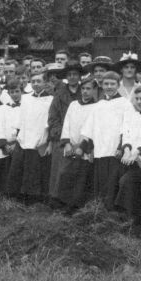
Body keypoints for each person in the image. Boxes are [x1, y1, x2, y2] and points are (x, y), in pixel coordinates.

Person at [80, 71, 130, 208]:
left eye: (112, 84)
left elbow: (127, 127)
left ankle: (113, 211)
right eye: (106, 84)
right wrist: (89, 148)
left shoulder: (125, 103)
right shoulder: (99, 105)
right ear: (101, 85)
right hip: (100, 150)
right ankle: (100, 209)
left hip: (115, 150)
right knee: (101, 181)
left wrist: (121, 147)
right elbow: (90, 128)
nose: (109, 87)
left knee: (113, 181)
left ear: (118, 85)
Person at [54, 77, 99, 213]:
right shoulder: (74, 104)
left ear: (95, 90)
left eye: (88, 89)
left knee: (81, 176)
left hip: (84, 148)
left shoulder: (96, 107)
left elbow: (93, 128)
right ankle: (63, 203)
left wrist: (82, 147)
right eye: (83, 89)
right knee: (66, 173)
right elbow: (66, 124)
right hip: (71, 146)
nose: (85, 92)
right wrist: (67, 143)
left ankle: (76, 207)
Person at [7, 72, 53, 202]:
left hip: (40, 138)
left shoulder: (50, 99)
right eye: (33, 81)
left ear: (44, 82)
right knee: (20, 168)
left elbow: (49, 122)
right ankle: (19, 197)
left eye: (39, 81)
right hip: (24, 137)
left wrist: (47, 141)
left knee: (36, 170)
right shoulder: (26, 98)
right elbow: (21, 119)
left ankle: (36, 199)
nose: (36, 84)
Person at [115, 85, 141, 224]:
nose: (139, 101)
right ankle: (127, 215)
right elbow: (127, 135)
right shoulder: (135, 115)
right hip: (132, 158)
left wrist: (137, 153)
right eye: (136, 98)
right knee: (122, 179)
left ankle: (135, 218)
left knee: (128, 181)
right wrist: (126, 150)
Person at [46, 61, 83, 200]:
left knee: (79, 170)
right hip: (62, 137)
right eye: (70, 74)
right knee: (60, 170)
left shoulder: (84, 91)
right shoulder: (60, 94)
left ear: (80, 76)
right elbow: (53, 118)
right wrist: (63, 136)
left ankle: (76, 200)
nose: (73, 77)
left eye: (75, 74)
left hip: (81, 137)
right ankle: (57, 199)